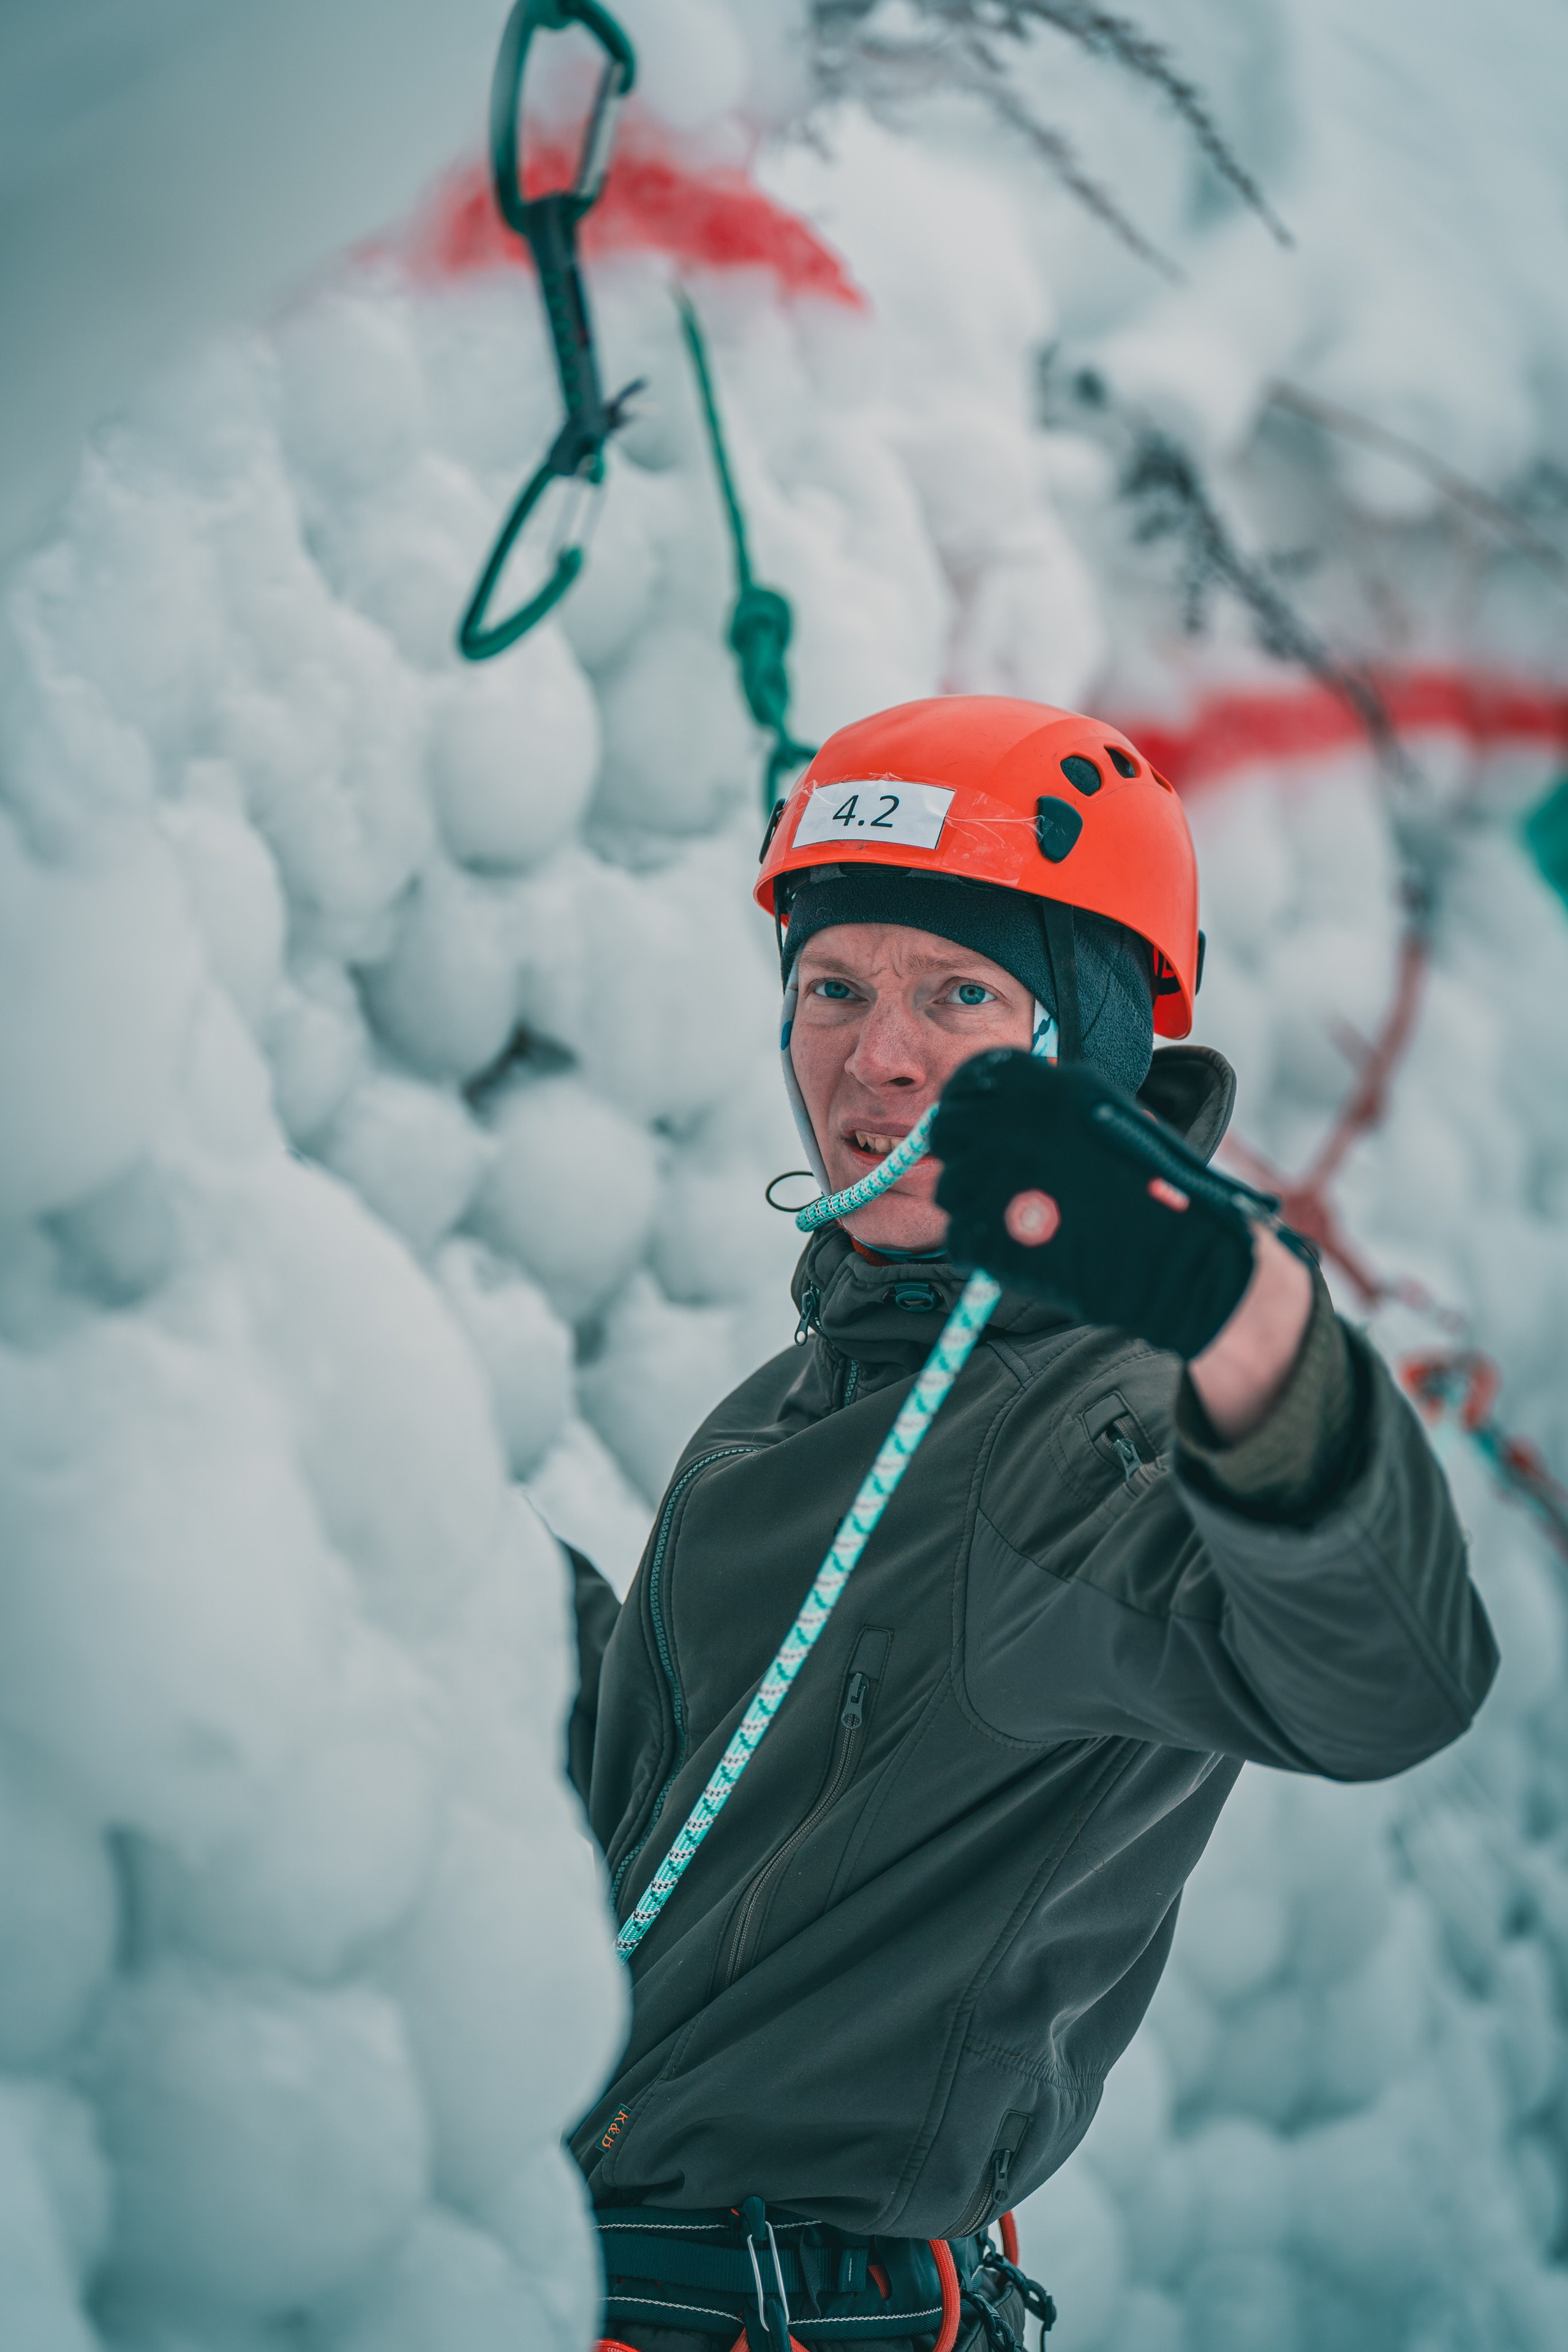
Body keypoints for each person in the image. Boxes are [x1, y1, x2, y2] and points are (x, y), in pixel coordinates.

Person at [564, 695, 1496, 2352]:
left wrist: (1242, 1322)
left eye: (961, 995)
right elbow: (686, 1841)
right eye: (834, 987)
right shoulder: (789, 1408)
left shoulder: (1105, 1420)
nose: (879, 1054)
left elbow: (1384, 1681)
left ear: (1090, 1051)